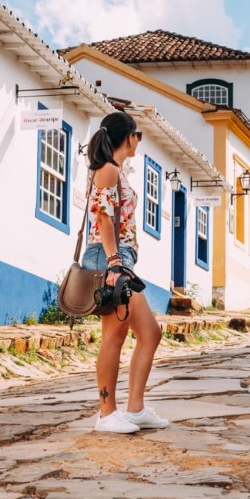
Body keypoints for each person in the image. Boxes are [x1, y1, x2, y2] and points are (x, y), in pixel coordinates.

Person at [83, 112, 169, 434]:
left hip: (121, 262)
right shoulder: (107, 170)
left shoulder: (117, 172)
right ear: (128, 137)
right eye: (138, 135)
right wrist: (115, 262)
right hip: (109, 260)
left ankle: (135, 409)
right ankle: (106, 414)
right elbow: (103, 218)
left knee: (150, 333)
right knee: (114, 335)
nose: (138, 141)